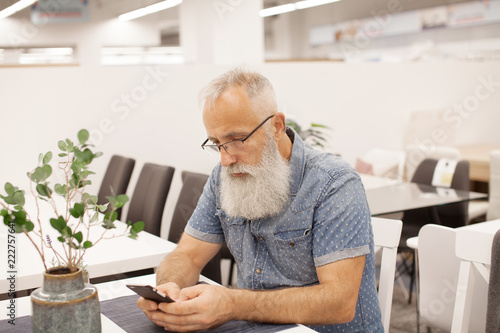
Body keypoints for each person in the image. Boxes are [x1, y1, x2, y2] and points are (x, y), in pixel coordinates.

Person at [137, 67, 384, 332]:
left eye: (236, 140)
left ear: (276, 126)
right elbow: (187, 255)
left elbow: (339, 303)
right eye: (217, 143)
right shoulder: (224, 176)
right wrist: (169, 287)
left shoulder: (334, 183)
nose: (226, 159)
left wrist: (231, 304)